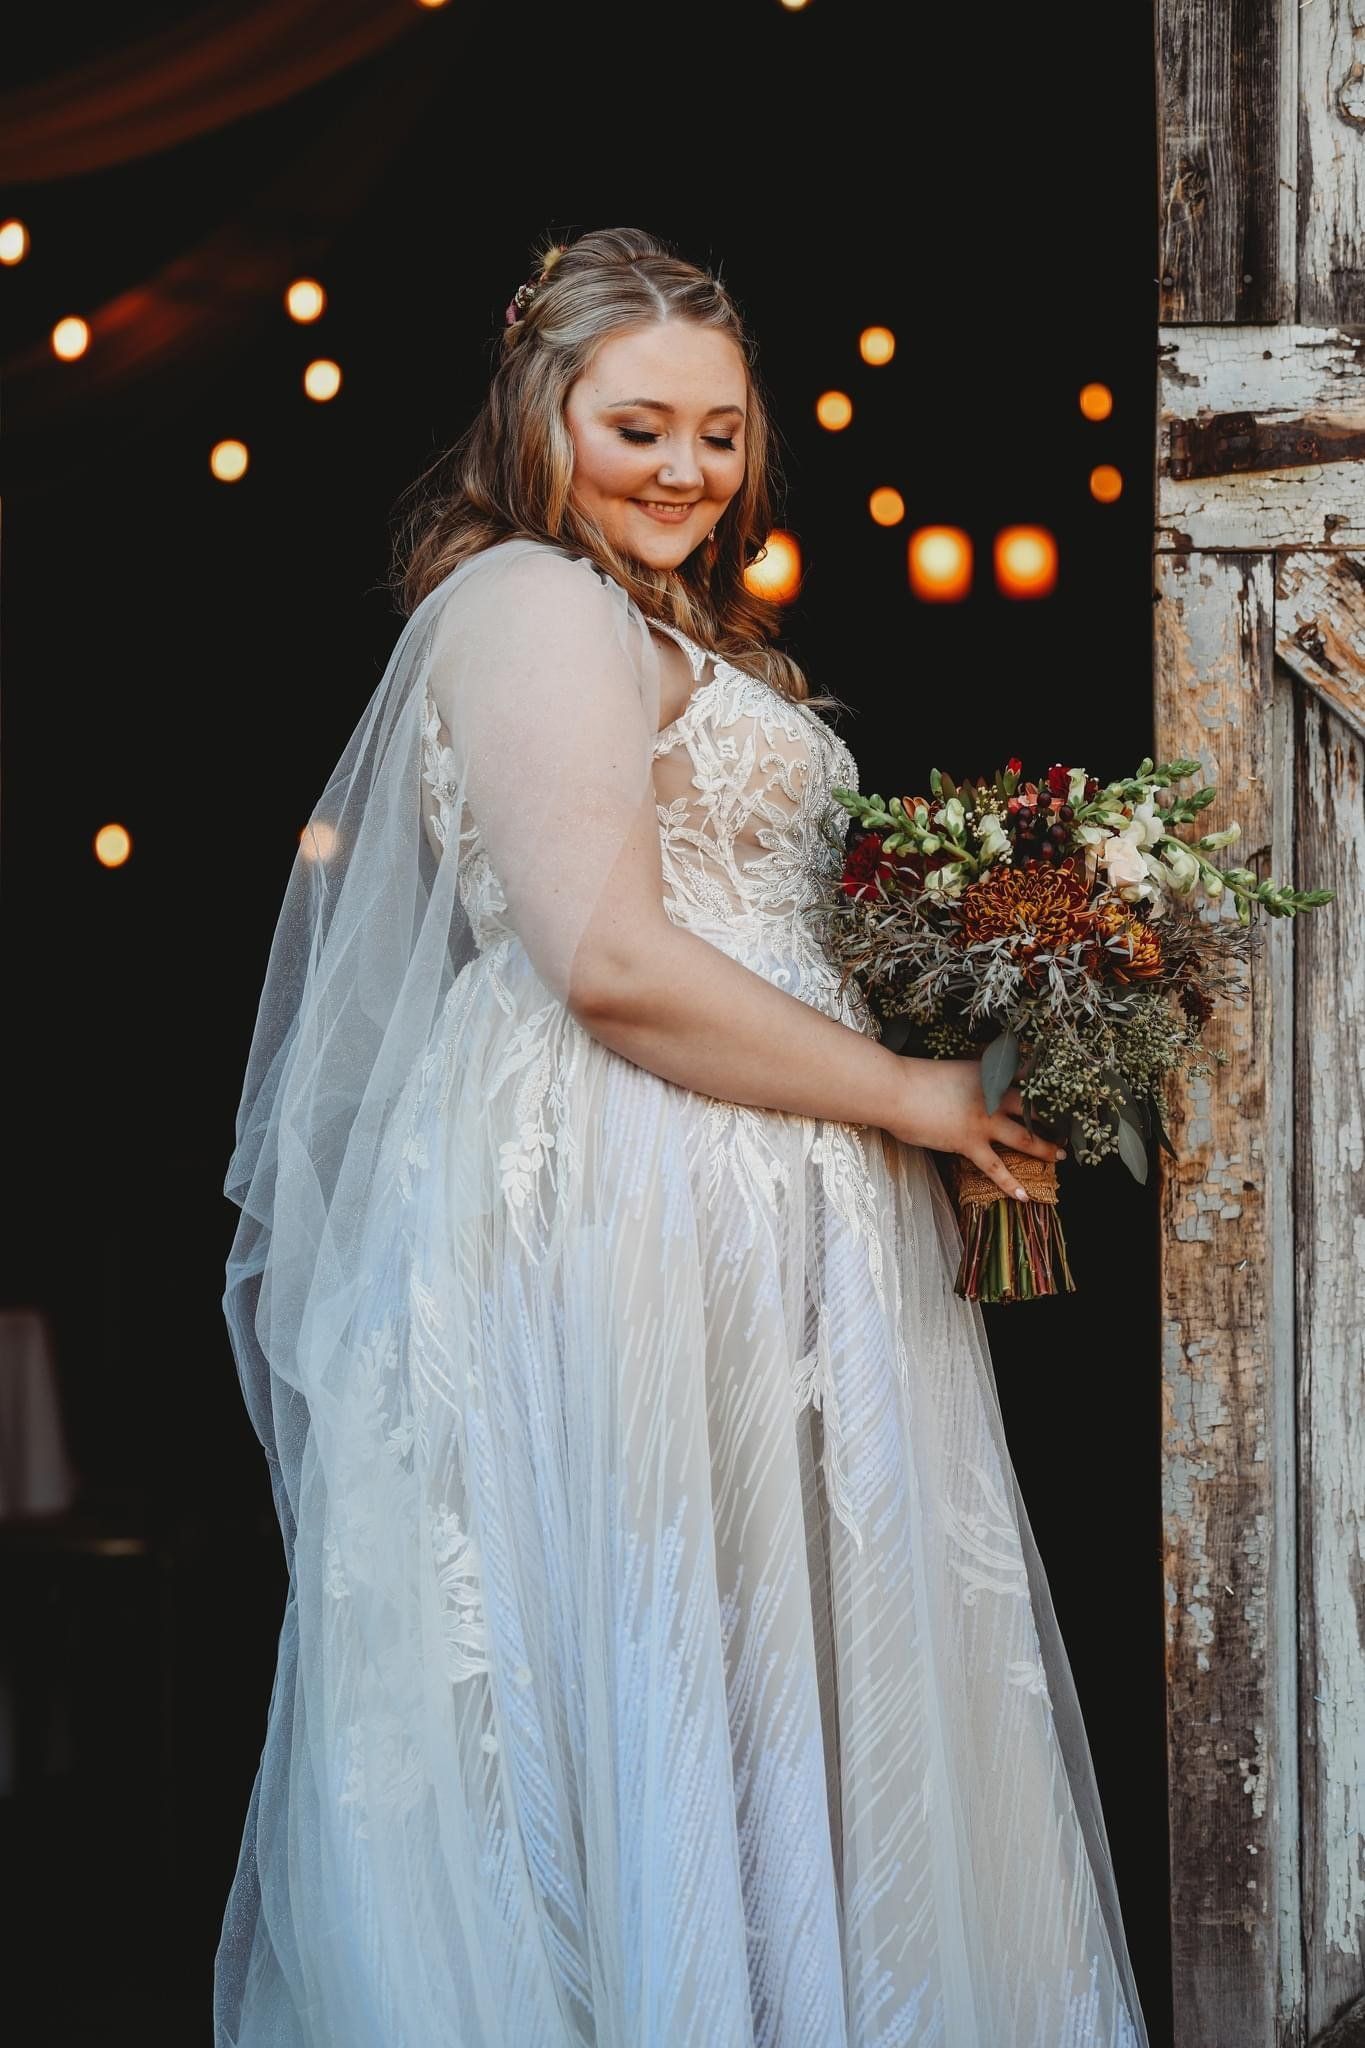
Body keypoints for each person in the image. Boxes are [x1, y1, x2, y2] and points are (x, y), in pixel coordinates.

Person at [216, 226, 1151, 2048]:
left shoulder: (664, 626)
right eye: (636, 424)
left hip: (752, 1214)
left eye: (719, 435)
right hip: (629, 1199)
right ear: (537, 412)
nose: (684, 470)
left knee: (775, 1691)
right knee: (664, 1665)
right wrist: (918, 1096)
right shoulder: (527, 604)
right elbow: (612, 962)